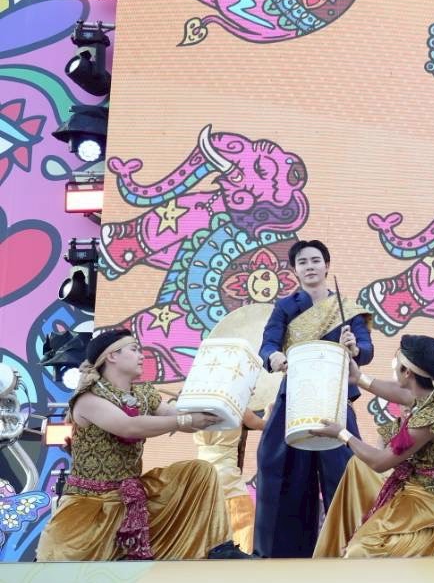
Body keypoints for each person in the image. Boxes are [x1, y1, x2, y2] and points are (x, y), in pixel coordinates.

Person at [37, 329, 240, 561]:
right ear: (112, 356)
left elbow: (179, 418)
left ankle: (219, 547)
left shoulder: (144, 394)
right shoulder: (88, 399)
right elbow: (129, 427)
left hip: (133, 498)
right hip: (91, 508)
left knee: (200, 472)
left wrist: (220, 401)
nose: (142, 355)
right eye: (134, 349)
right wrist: (186, 420)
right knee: (63, 564)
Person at [253, 240, 374, 558]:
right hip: (295, 399)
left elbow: (366, 349)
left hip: (335, 399)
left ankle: (350, 549)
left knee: (344, 471)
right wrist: (274, 356)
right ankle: (279, 555)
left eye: (315, 260)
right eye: (303, 262)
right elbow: (267, 345)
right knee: (277, 466)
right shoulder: (285, 307)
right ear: (294, 270)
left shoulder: (347, 308)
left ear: (327, 266)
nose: (310, 266)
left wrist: (355, 348)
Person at [312, 335, 434, 558]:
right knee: (358, 465)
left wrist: (341, 433)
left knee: (359, 553)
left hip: (425, 502)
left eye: (396, 363)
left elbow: (381, 462)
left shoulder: (427, 422)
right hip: (419, 483)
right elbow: (405, 394)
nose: (394, 367)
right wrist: (358, 378)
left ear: (407, 372)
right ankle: (353, 533)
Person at [192, 407, 266, 554]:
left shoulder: (196, 404)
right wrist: (269, 411)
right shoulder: (236, 405)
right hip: (228, 478)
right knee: (244, 533)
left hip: (201, 477)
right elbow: (264, 425)